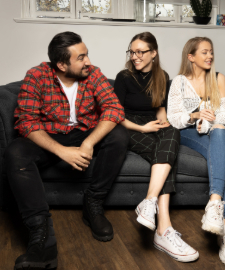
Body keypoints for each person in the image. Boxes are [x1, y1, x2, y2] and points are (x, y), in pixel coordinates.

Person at [4, 31, 129, 270]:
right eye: (81, 58)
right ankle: (42, 236)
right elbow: (26, 122)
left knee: (120, 135)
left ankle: (93, 203)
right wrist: (62, 151)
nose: (88, 62)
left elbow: (114, 109)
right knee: (15, 152)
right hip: (50, 135)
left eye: (87, 55)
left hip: (84, 132)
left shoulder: (93, 74)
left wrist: (88, 143)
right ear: (61, 64)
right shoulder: (37, 76)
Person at [113, 32, 199, 263]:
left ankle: (149, 202)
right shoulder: (123, 77)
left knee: (171, 132)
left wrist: (163, 122)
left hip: (153, 124)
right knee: (166, 157)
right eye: (132, 51)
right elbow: (115, 115)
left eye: (141, 51)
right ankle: (163, 230)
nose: (135, 56)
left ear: (154, 53)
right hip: (129, 127)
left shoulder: (162, 76)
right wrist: (143, 129)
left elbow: (160, 108)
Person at [167, 37, 225, 269]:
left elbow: (223, 117)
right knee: (218, 150)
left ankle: (215, 206)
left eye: (211, 52)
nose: (210, 56)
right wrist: (196, 117)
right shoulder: (179, 81)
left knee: (220, 130)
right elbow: (173, 118)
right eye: (204, 52)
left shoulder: (218, 78)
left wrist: (207, 124)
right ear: (191, 57)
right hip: (188, 132)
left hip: (213, 131)